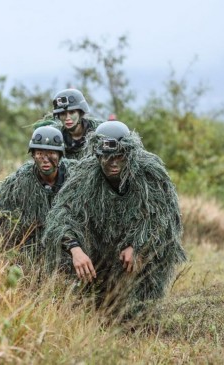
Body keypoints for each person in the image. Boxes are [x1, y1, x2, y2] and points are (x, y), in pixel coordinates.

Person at [43, 120, 186, 321]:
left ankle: (140, 302)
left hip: (141, 249)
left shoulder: (149, 174)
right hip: (103, 248)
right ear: (98, 155)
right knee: (99, 311)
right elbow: (63, 213)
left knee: (133, 317)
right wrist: (75, 249)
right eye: (107, 157)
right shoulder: (86, 175)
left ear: (129, 154)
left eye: (119, 156)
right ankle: (85, 295)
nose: (113, 163)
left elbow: (162, 219)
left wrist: (139, 247)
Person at [0, 125, 74, 256]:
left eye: (51, 154)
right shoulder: (19, 182)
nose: (45, 159)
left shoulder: (74, 178)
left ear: (60, 155)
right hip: (34, 247)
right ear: (33, 155)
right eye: (40, 154)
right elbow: (2, 215)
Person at [51, 88, 103, 159]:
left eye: (72, 112)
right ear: (59, 116)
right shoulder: (55, 137)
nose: (67, 118)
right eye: (63, 113)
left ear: (81, 113)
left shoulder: (99, 134)